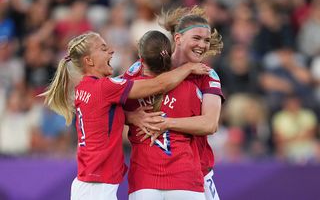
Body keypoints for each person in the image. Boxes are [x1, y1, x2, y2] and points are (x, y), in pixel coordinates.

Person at [40, 31, 210, 200]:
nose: (111, 51)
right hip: (96, 187)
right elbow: (159, 84)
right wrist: (188, 67)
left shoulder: (84, 88)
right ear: (89, 60)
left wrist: (130, 116)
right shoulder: (105, 88)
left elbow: (103, 115)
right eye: (103, 48)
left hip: (91, 182)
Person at [125, 6, 224, 200]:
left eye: (206, 40)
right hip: (149, 176)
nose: (203, 45)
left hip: (197, 170)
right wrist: (131, 117)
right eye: (196, 38)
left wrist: (167, 122)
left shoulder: (207, 75)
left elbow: (210, 124)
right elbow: (111, 100)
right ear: (178, 39)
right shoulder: (145, 66)